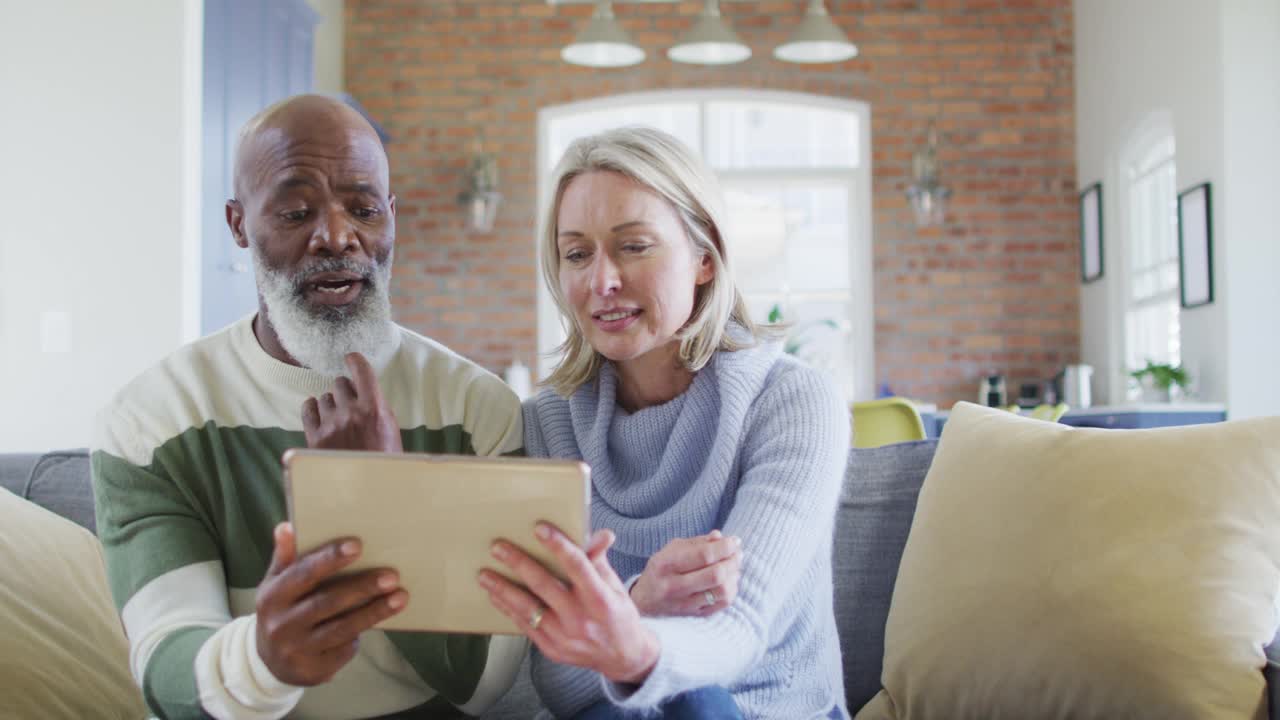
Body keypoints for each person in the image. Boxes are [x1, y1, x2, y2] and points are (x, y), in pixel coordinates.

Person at [91, 94, 527, 719]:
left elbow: (483, 679)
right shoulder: (152, 420)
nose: (336, 236)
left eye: (364, 209)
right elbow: (167, 673)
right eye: (297, 211)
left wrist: (382, 500)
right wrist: (264, 660)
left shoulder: (477, 408)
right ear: (238, 224)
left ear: (392, 218)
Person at [476, 127, 851, 719]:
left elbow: (739, 629)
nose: (601, 281)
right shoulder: (549, 423)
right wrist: (640, 603)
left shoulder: (790, 401)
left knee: (696, 705)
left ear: (705, 258)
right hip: (617, 714)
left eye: (633, 246)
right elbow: (558, 681)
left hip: (766, 710)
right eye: (577, 253)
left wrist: (625, 636)